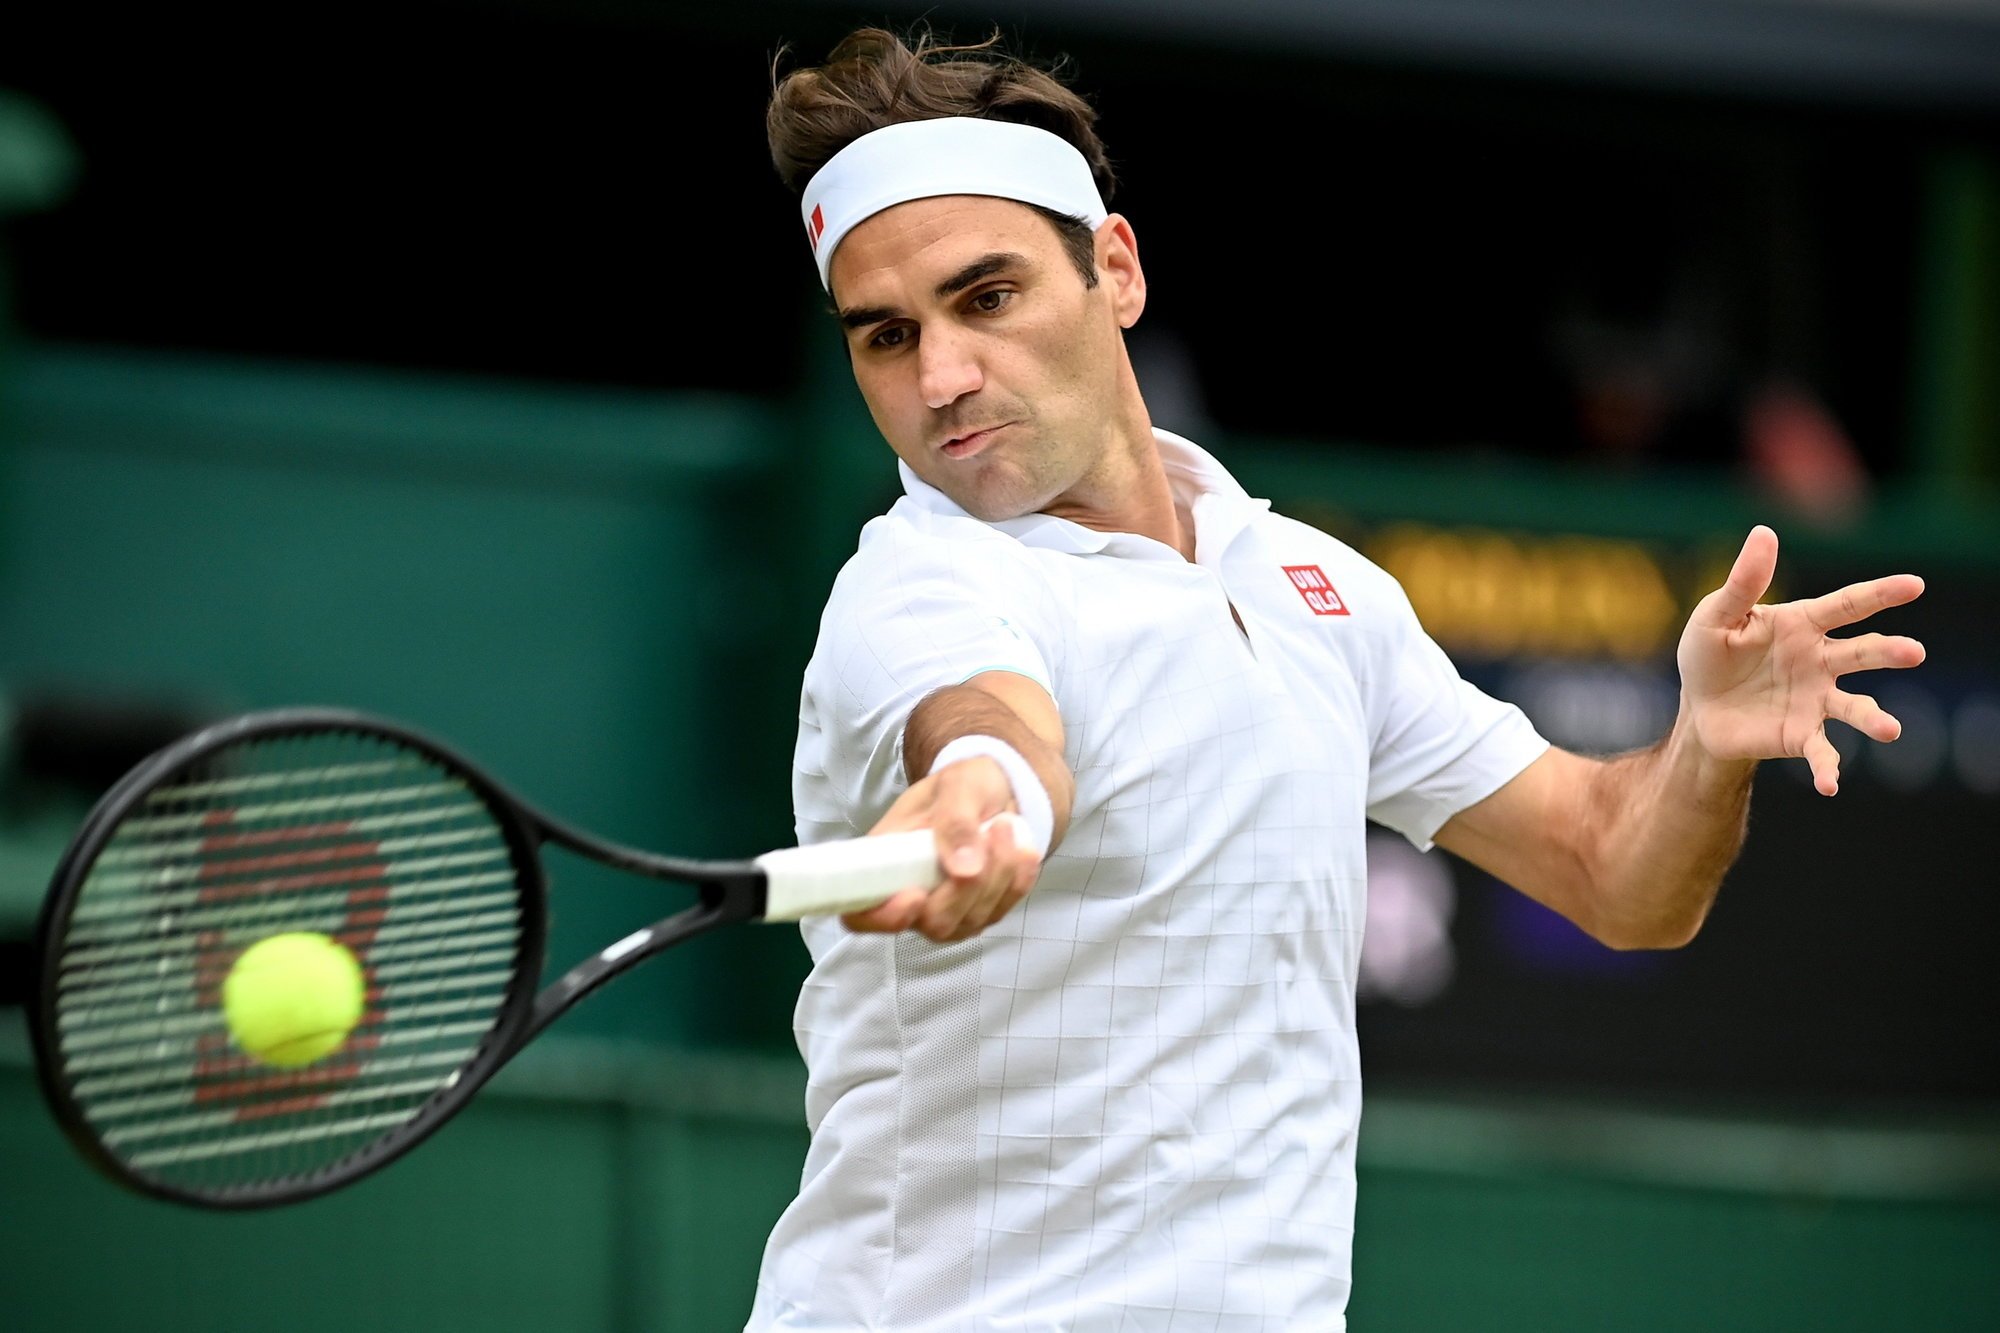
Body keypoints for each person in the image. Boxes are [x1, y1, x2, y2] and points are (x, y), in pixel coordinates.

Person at [749, 29, 1926, 1331]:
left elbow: (1618, 876)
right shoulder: (916, 588)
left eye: (988, 297)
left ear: (1117, 271)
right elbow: (989, 730)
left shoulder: (1323, 593)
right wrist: (986, 797)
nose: (943, 377)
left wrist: (1704, 745)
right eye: (885, 337)